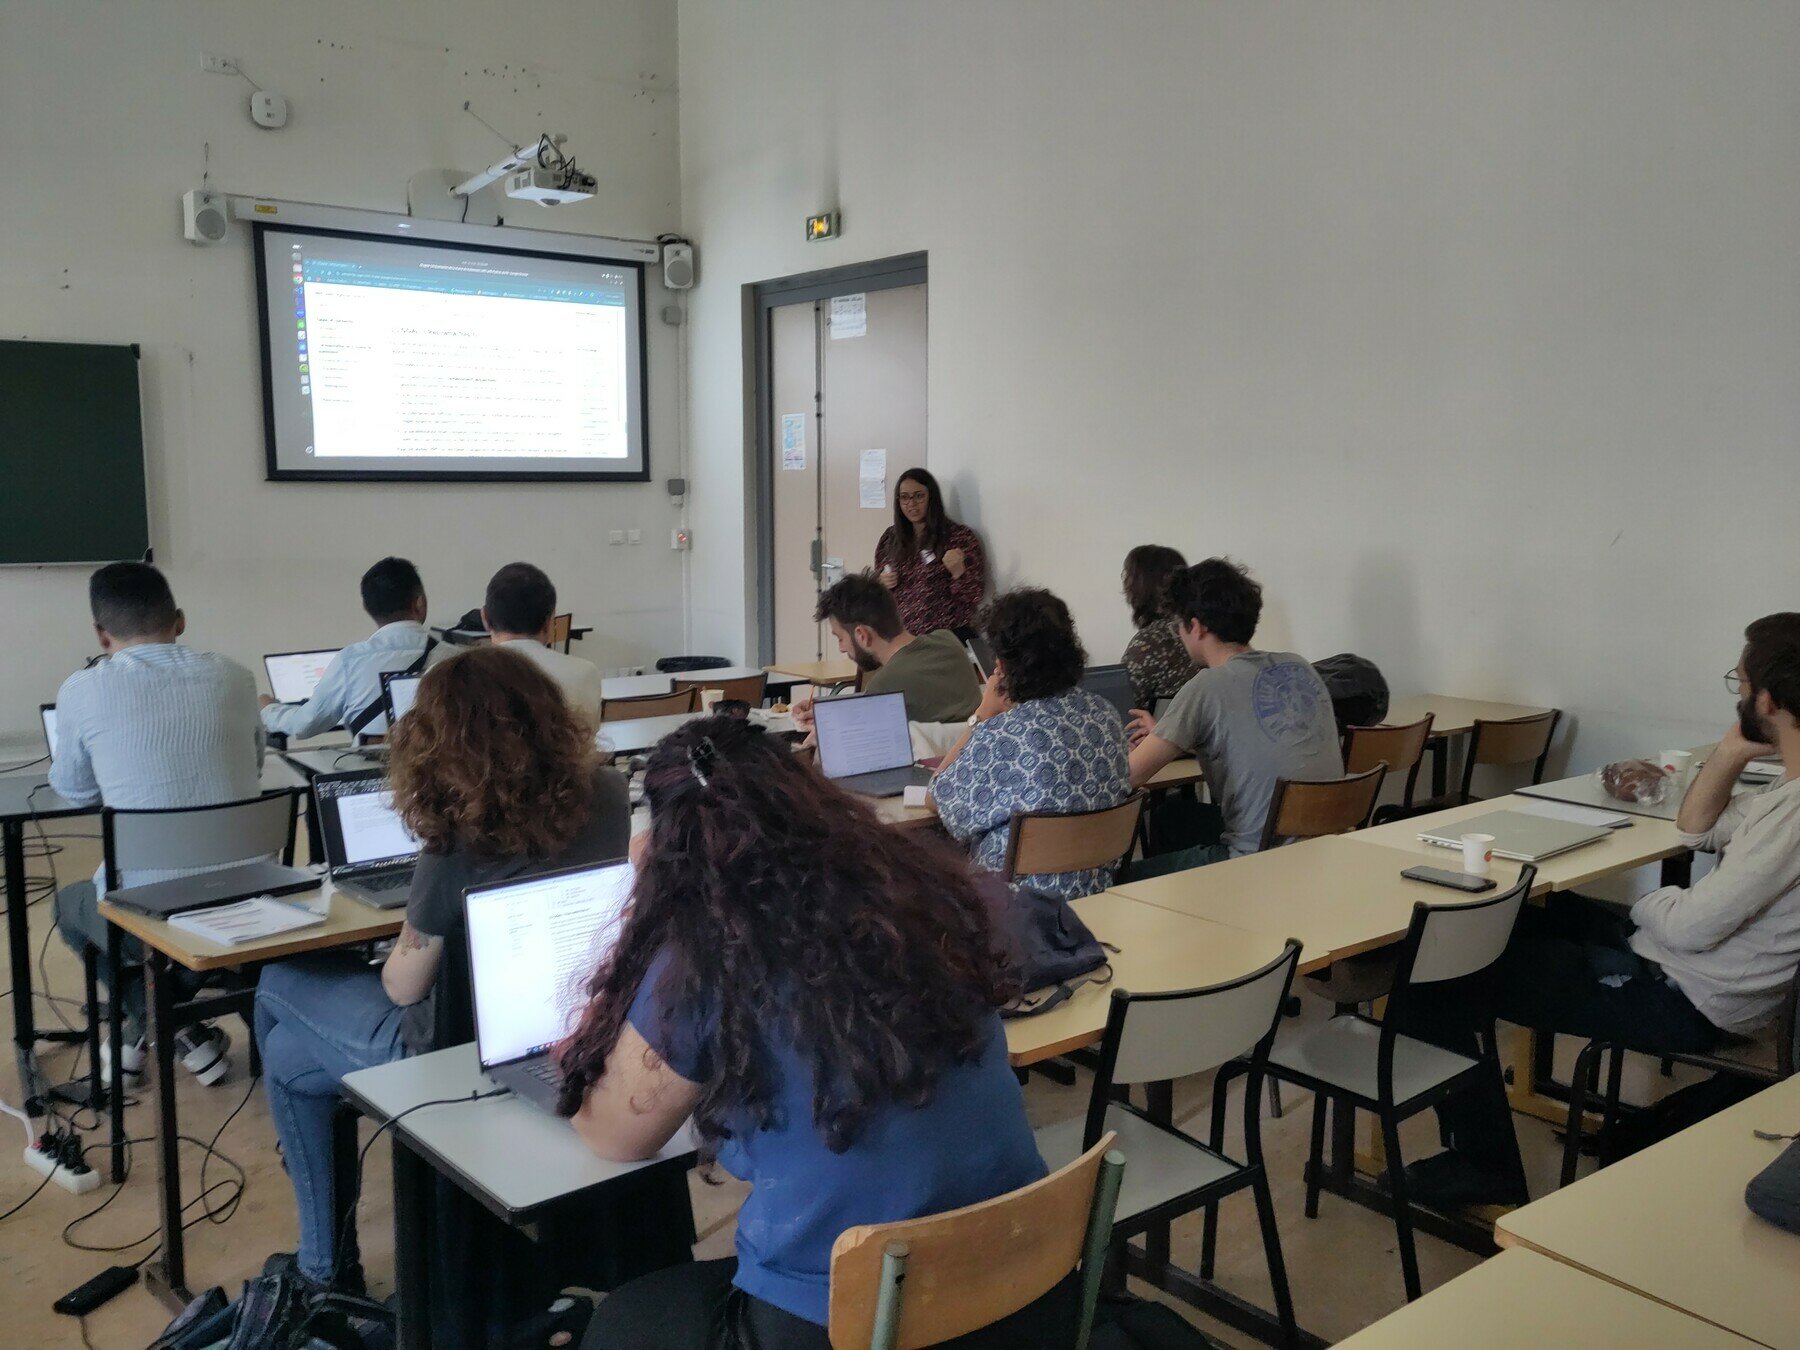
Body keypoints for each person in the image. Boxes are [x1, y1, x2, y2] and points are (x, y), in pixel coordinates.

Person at [559, 717, 1065, 1350]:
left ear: (668, 851)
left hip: (854, 1321)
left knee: (623, 1320)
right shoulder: (920, 896)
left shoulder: (699, 961)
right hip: (1023, 1290)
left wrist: (630, 952)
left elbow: (614, 1136)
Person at [253, 645, 630, 1290]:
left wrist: (387, 949)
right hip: (568, 1014)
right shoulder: (610, 792)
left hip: (453, 1046)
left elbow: (404, 988)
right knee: (290, 1058)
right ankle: (320, 1258)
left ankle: (326, 1266)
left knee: (277, 982)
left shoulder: (456, 837)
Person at [1395, 613, 1800, 1208]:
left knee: (1436, 978)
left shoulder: (1793, 816)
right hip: (1684, 964)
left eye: (1737, 683)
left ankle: (1482, 1166)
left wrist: (1649, 905)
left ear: (1766, 700)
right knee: (1524, 914)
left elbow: (1692, 925)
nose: (1734, 696)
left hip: (1685, 996)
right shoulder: (1787, 791)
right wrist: (1732, 749)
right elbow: (1695, 830)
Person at [50, 562, 261, 1086]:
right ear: (180, 620)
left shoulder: (82, 689)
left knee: (69, 905)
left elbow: (76, 792)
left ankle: (156, 1024)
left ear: (101, 636)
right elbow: (254, 767)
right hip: (252, 900)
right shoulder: (237, 677)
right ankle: (178, 1029)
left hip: (151, 913)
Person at [1125, 558, 1342, 871]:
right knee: (1171, 817)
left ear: (1196, 626)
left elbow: (1129, 776)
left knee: (1122, 882)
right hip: (1324, 848)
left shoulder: (1207, 686)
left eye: (1179, 625)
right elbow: (1254, 739)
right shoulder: (1299, 666)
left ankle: (1193, 892)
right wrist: (1168, 733)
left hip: (1257, 861)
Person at [931, 588, 1132, 900]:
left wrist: (982, 714)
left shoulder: (1002, 734)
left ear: (1002, 666)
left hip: (1016, 908)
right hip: (1097, 898)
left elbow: (937, 798)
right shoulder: (1105, 714)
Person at [259, 556, 438, 740]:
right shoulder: (451, 656)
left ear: (367, 608)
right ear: (420, 603)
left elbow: (304, 725)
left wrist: (268, 709)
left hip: (375, 758)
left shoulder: (351, 660)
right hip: (440, 759)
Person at [790, 571, 981, 731]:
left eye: (840, 638)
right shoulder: (949, 642)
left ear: (862, 635)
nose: (841, 648)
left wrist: (822, 733)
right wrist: (827, 713)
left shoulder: (884, 686)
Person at [481, 561, 603, 727]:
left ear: (485, 618)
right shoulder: (584, 673)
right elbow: (588, 737)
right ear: (549, 622)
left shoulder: (459, 678)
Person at [873, 467, 986, 639]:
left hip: (948, 637)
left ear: (931, 497)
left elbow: (975, 594)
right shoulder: (890, 538)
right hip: (903, 637)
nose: (911, 504)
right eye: (904, 497)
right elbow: (876, 591)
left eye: (919, 496)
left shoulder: (958, 537)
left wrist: (959, 573)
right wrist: (881, 583)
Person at [1120, 544, 1198, 707]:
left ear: (1139, 586)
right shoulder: (1200, 631)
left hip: (1162, 723)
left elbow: (1122, 704)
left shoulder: (1149, 643)